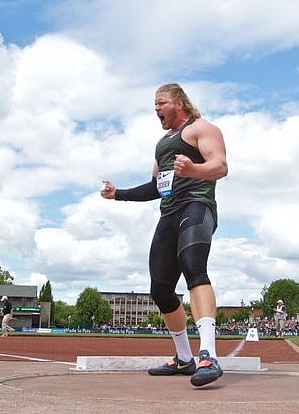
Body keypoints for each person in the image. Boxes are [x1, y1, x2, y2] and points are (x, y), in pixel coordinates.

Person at [101, 83, 228, 387]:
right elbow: (156, 187)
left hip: (197, 206)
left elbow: (220, 166)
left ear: (180, 102)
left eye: (161, 102)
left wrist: (194, 170)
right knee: (160, 289)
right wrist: (118, 194)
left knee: (194, 268)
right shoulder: (162, 144)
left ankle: (208, 355)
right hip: (169, 215)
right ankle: (184, 358)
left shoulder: (202, 128)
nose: (156, 108)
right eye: (154, 104)